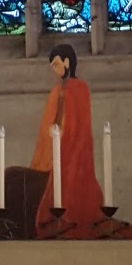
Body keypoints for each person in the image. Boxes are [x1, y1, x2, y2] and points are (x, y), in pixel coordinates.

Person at [31, 42, 104, 240]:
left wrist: (66, 137)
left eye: (56, 64)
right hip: (57, 152)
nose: (55, 70)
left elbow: (79, 123)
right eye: (52, 67)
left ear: (67, 62)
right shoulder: (56, 91)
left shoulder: (80, 89)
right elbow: (49, 125)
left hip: (74, 152)